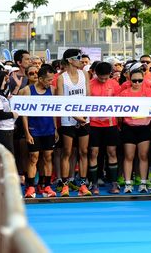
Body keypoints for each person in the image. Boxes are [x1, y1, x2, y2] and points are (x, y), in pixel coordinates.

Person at [56, 49, 92, 197]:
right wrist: (75, 116)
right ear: (70, 60)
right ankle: (65, 185)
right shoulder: (62, 78)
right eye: (78, 57)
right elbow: (60, 101)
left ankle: (83, 184)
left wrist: (84, 115)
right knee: (67, 152)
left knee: (84, 152)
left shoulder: (84, 74)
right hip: (68, 119)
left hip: (84, 118)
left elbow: (88, 95)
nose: (81, 59)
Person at [20, 64, 59, 198]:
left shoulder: (52, 90)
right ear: (41, 79)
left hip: (48, 129)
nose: (51, 82)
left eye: (52, 79)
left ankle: (47, 186)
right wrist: (27, 133)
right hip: (34, 129)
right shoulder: (27, 91)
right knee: (33, 157)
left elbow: (54, 111)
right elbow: (24, 114)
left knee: (48, 157)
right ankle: (31, 187)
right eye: (49, 80)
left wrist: (55, 129)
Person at [87, 61, 121, 195]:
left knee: (112, 152)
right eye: (101, 78)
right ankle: (94, 183)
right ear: (96, 74)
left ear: (110, 74)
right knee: (93, 153)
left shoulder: (114, 84)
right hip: (94, 124)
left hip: (111, 124)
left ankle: (114, 182)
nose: (103, 80)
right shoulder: (90, 84)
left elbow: (120, 104)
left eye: (106, 78)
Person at [119, 65, 151, 193]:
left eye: (140, 80)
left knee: (143, 156)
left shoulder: (149, 93)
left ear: (144, 79)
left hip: (144, 127)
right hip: (129, 127)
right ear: (129, 80)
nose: (137, 83)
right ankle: (128, 183)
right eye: (134, 81)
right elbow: (118, 111)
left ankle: (143, 183)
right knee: (129, 156)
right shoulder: (124, 94)